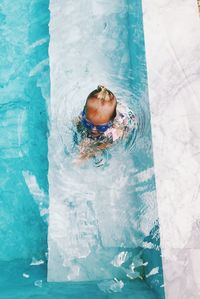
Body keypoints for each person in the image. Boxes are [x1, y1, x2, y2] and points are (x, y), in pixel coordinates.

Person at [73, 85, 138, 163]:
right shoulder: (84, 116)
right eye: (88, 123)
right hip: (110, 113)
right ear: (84, 112)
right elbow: (78, 123)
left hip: (126, 118)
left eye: (100, 127)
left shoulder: (113, 131)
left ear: (110, 122)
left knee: (123, 134)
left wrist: (85, 155)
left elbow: (100, 147)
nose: (93, 129)